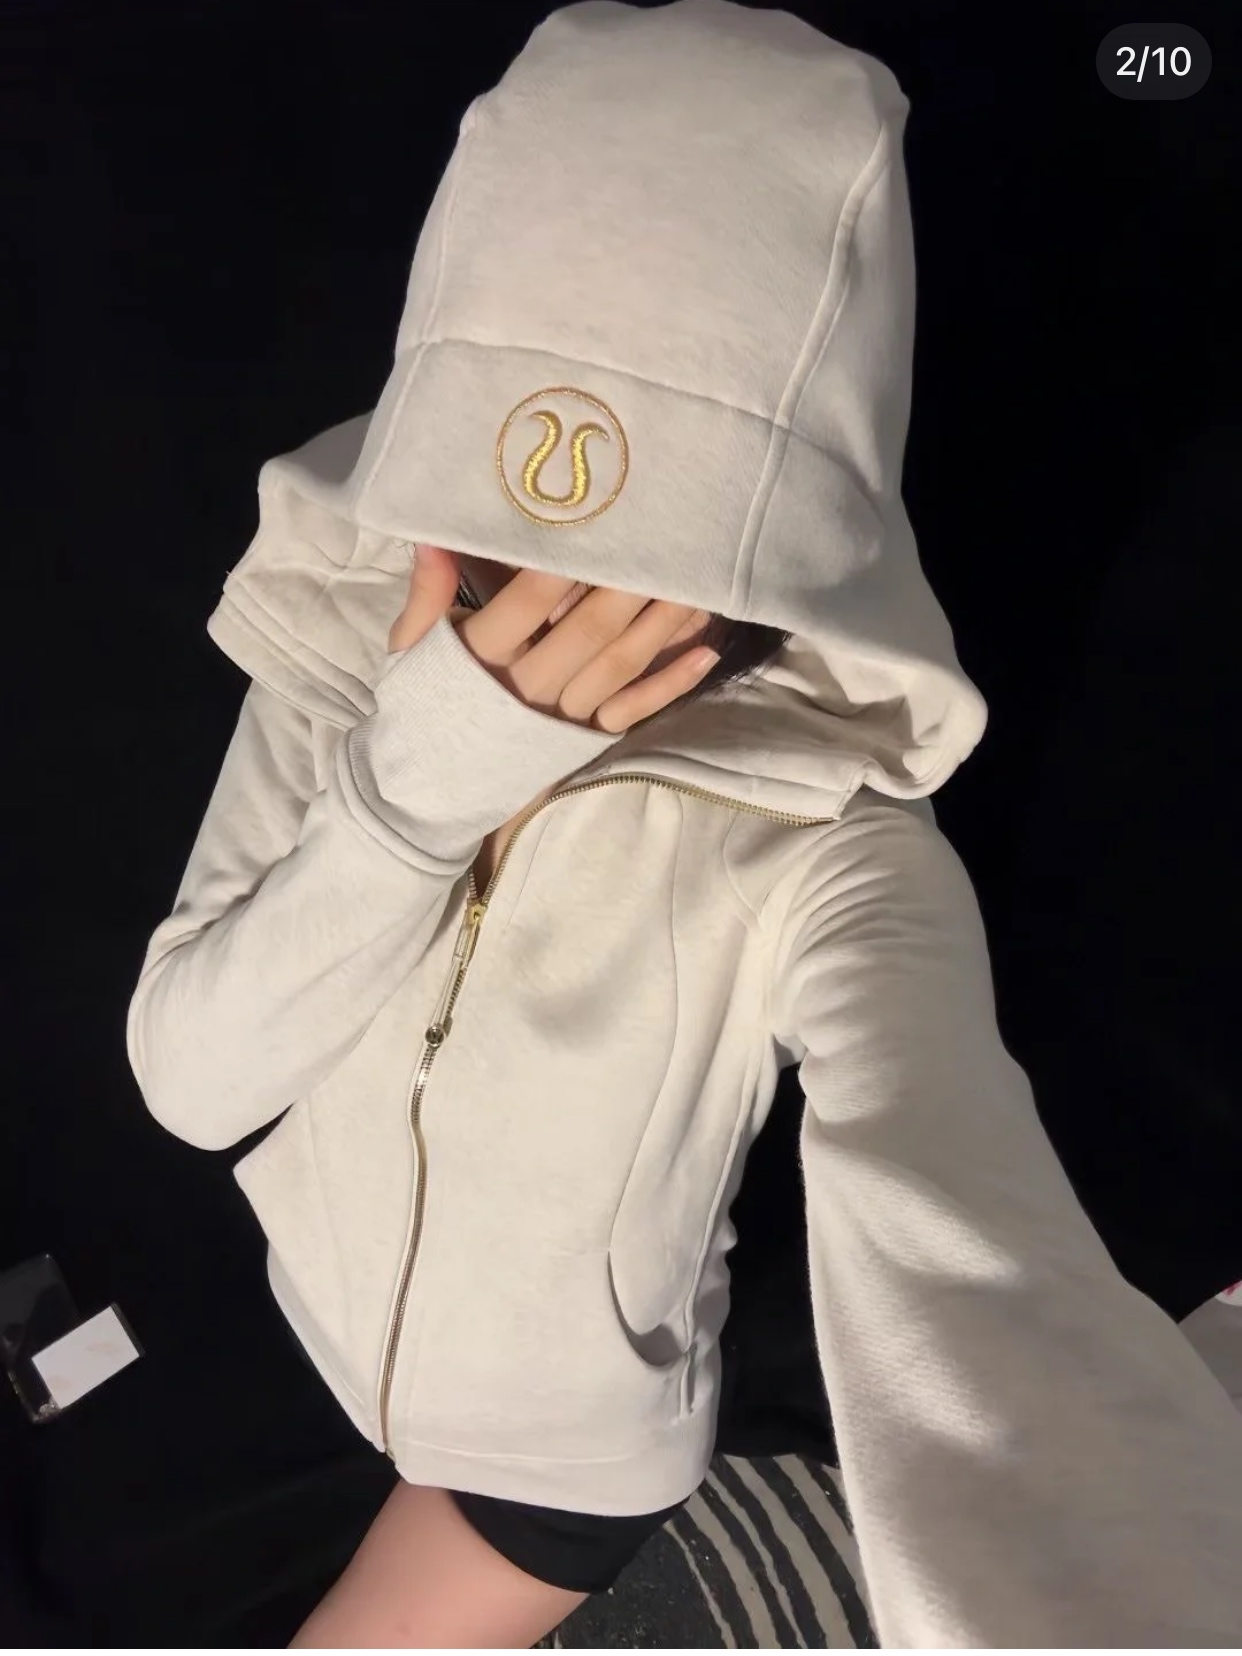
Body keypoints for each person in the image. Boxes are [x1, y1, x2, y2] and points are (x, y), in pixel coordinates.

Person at [125, 1, 1242, 1647]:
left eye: (650, 539)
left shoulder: (826, 838)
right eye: (498, 505)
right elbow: (191, 1083)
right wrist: (423, 774)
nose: (557, 588)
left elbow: (956, 1211)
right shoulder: (349, 640)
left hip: (557, 1468)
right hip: (301, 1331)